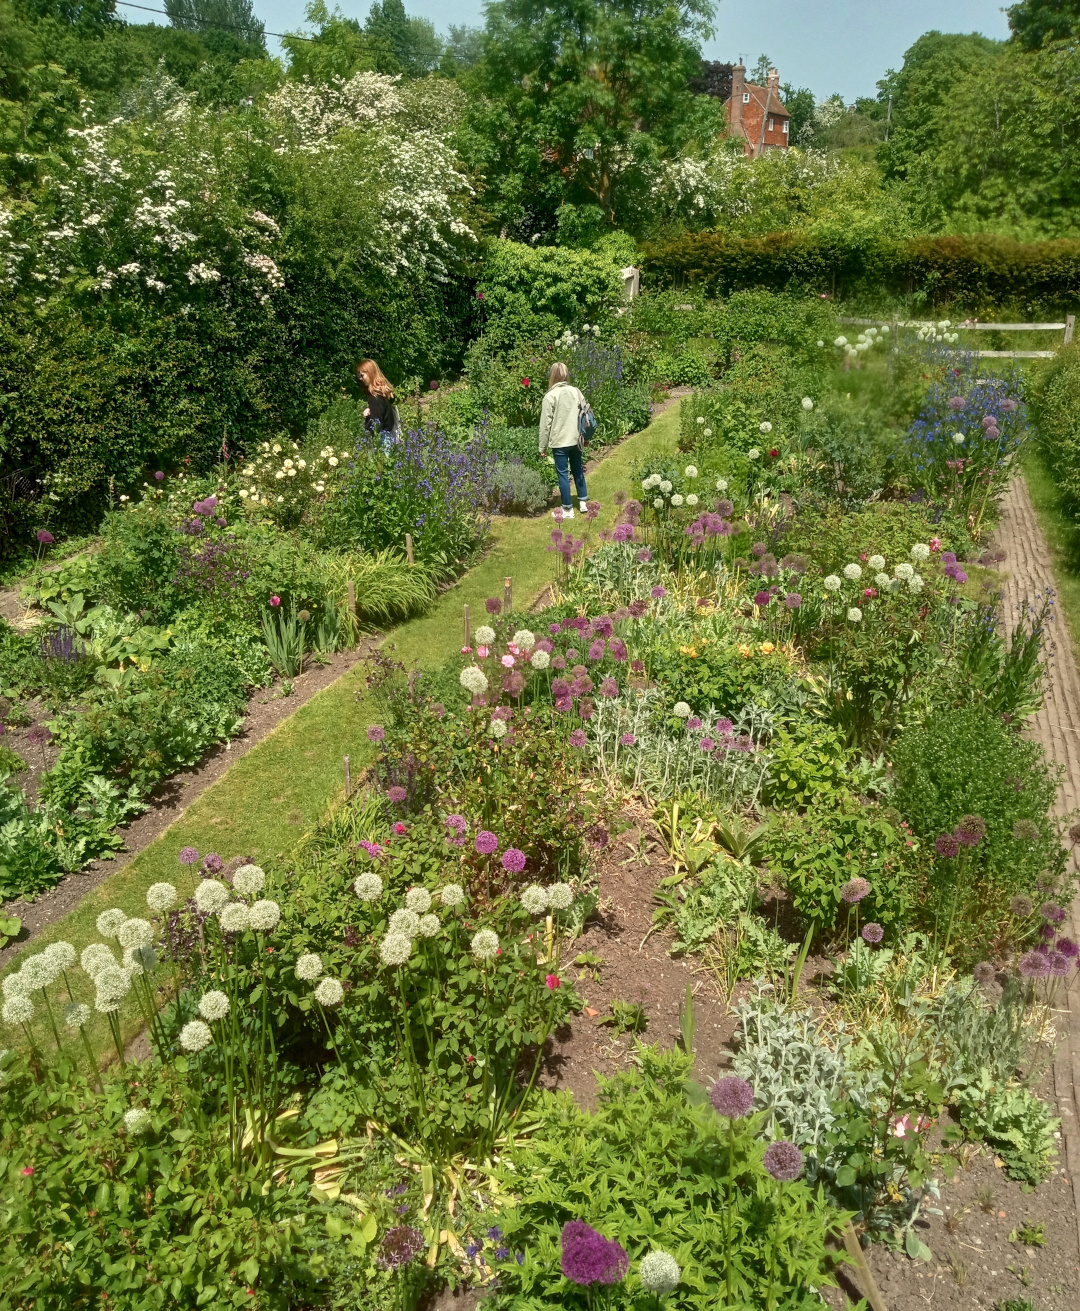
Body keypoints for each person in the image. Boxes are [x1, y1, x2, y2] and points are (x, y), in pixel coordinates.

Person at [538, 362, 588, 519]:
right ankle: (583, 503)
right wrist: (586, 436)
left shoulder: (550, 396)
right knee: (578, 469)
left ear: (552, 376)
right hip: (576, 439)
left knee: (563, 474)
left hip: (560, 442)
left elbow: (545, 425)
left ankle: (567, 509)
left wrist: (542, 447)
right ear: (566, 375)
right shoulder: (576, 391)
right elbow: (586, 415)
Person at [355, 359, 400, 448]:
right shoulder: (383, 394)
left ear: (370, 374)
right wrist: (370, 410)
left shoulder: (375, 397)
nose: (361, 378)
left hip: (381, 440)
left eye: (362, 375)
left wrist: (368, 418)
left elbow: (377, 423)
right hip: (389, 436)